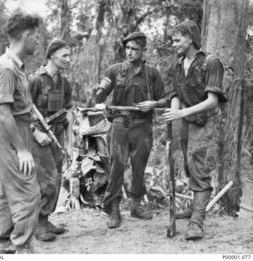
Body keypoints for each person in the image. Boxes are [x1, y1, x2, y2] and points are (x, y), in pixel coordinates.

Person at [163, 19, 227, 240]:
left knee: (198, 167)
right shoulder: (179, 65)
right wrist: (174, 113)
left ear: (190, 38)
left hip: (206, 122)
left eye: (177, 40)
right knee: (190, 165)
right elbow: (175, 94)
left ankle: (197, 222)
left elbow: (212, 101)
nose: (174, 44)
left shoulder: (211, 63)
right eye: (172, 41)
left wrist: (181, 114)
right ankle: (194, 207)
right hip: (187, 122)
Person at [95, 32, 166, 228]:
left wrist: (152, 104)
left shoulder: (151, 73)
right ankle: (114, 208)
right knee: (117, 165)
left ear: (143, 50)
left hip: (142, 126)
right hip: (120, 124)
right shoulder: (115, 70)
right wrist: (100, 90)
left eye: (134, 49)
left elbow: (164, 99)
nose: (129, 52)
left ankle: (136, 204)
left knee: (139, 166)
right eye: (127, 48)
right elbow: (99, 99)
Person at [0, 11, 41, 254]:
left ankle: (3, 241)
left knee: (7, 188)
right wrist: (21, 150)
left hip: (14, 129)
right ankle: (23, 247)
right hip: (9, 132)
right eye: (36, 37)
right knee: (29, 193)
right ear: (26, 35)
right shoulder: (7, 67)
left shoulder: (16, 66)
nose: (37, 42)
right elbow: (4, 112)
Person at [28, 39, 73, 241]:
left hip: (58, 133)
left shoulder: (65, 83)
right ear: (52, 55)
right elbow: (22, 109)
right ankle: (38, 223)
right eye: (65, 55)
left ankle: (45, 218)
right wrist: (35, 132)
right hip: (39, 135)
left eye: (69, 55)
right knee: (47, 181)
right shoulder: (35, 80)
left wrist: (70, 142)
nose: (68, 59)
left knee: (57, 177)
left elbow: (68, 111)